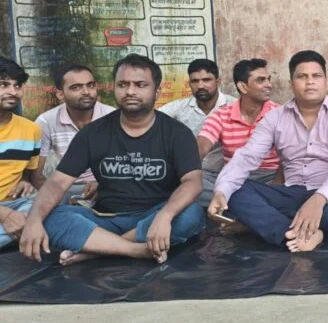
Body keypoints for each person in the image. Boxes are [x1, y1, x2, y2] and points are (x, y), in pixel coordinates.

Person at [19, 54, 204, 265]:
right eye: (122, 85)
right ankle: (135, 250)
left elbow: (193, 182)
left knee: (191, 214)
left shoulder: (177, 133)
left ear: (157, 92)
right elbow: (57, 183)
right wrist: (34, 220)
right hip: (106, 218)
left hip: (155, 217)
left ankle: (97, 250)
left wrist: (165, 216)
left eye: (140, 85)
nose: (130, 91)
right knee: (52, 217)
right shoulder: (92, 133)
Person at [207, 50, 328, 252]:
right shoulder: (275, 118)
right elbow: (246, 157)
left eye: (316, 76)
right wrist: (221, 192)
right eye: (302, 76)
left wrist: (318, 200)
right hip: (293, 192)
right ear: (291, 84)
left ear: (327, 82)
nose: (310, 82)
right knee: (234, 192)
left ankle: (272, 225)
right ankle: (293, 234)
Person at [197, 59, 280, 206]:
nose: (269, 85)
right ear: (243, 86)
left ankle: (230, 203)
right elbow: (202, 146)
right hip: (231, 177)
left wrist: (276, 185)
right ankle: (246, 203)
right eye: (261, 80)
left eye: (269, 79)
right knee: (193, 184)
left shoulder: (279, 114)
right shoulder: (222, 115)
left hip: (268, 178)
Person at [32, 64, 115, 203]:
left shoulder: (113, 117)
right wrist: (59, 200)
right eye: (76, 87)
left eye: (90, 85)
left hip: (108, 186)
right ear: (60, 94)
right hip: (65, 188)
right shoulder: (46, 121)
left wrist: (104, 187)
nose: (86, 92)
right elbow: (37, 177)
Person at [0, 58, 41, 249]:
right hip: (7, 212)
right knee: (35, 223)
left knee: (53, 206)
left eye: (17, 85)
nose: (13, 92)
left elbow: (28, 174)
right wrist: (6, 216)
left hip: (17, 204)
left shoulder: (31, 129)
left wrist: (25, 181)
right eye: (4, 84)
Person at [159, 58, 236, 135]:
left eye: (206, 80)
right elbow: (154, 117)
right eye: (195, 81)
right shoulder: (180, 107)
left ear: (218, 82)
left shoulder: (235, 106)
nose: (200, 86)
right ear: (190, 84)